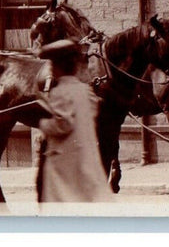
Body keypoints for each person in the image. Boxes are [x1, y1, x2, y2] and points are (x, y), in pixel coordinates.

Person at [35, 39, 113, 203]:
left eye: (51, 65)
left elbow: (63, 124)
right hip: (86, 158)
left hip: (64, 164)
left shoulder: (60, 92)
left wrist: (43, 124)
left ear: (57, 68)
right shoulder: (86, 91)